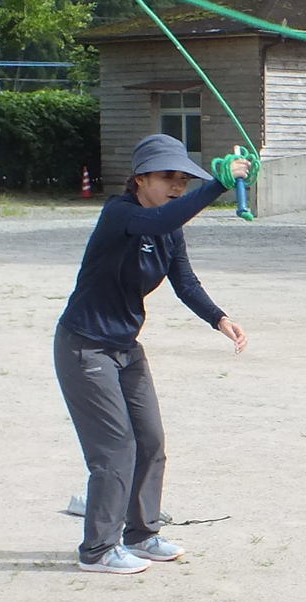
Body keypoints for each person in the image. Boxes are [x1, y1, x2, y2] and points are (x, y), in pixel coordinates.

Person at [54, 133, 248, 575]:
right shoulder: (120, 214)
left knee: (151, 440)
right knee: (115, 449)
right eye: (166, 177)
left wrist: (219, 318)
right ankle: (98, 550)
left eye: (183, 178)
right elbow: (160, 222)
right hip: (85, 345)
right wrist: (216, 185)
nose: (176, 186)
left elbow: (185, 281)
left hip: (125, 345)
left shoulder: (169, 228)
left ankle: (140, 534)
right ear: (140, 179)